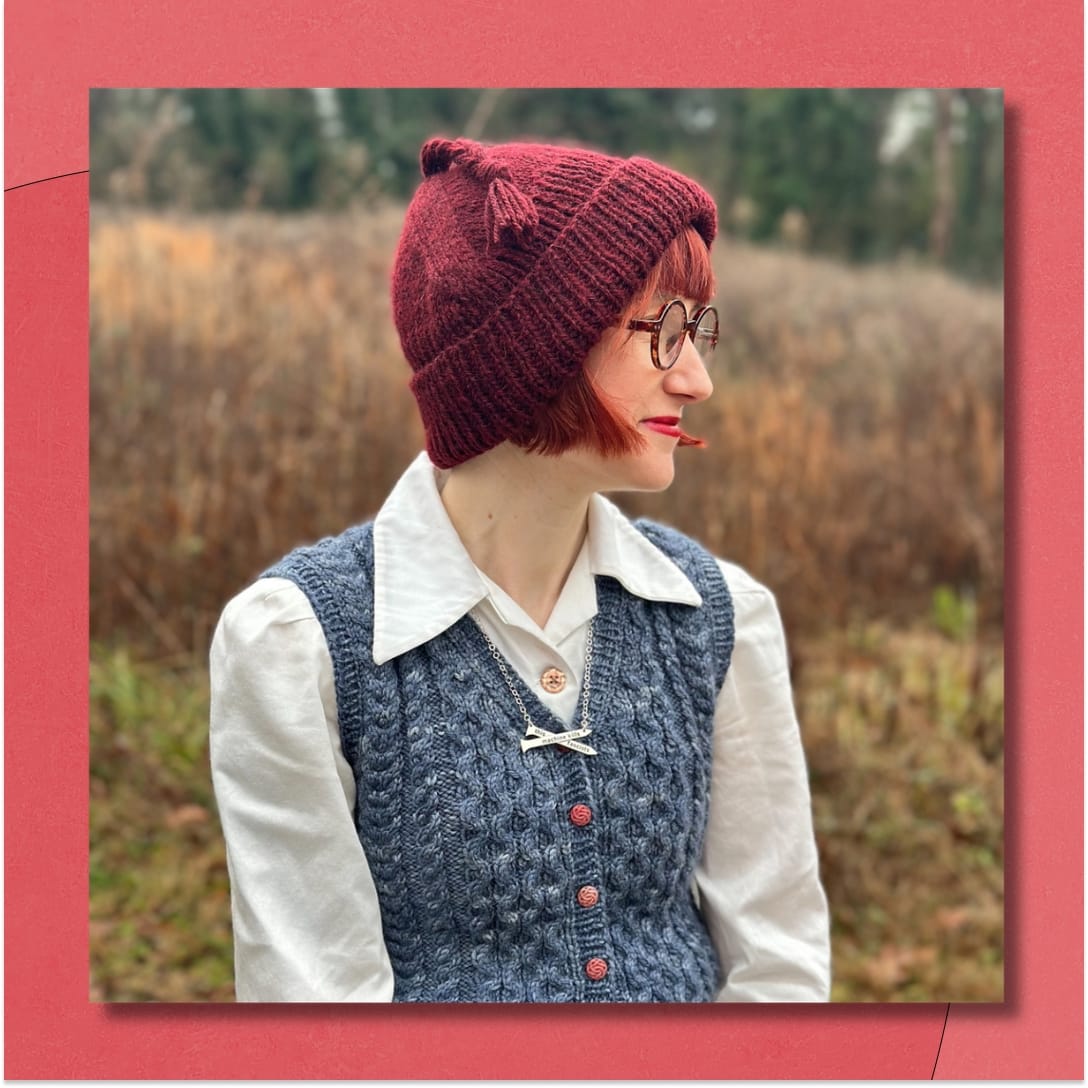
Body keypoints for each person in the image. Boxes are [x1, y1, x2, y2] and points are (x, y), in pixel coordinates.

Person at [209, 135, 831, 1003]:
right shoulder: (299, 645)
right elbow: (314, 1012)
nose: (697, 379)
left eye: (700, 331)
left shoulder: (717, 617)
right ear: (534, 354)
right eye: (664, 331)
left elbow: (780, 964)